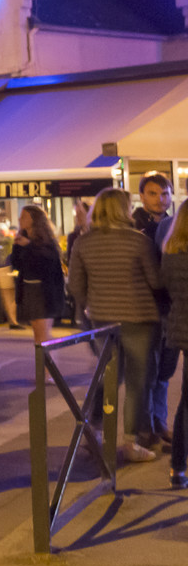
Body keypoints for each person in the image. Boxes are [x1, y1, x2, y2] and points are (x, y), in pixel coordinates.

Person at [69, 187, 165, 461]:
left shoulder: (83, 243)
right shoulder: (139, 242)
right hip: (140, 318)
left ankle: (94, 428)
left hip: (102, 319)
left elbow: (75, 286)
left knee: (107, 376)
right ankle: (131, 442)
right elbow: (156, 281)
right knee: (137, 382)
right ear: (123, 210)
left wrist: (95, 303)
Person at [136, 173, 177, 443]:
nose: (160, 199)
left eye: (164, 194)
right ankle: (145, 427)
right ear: (141, 196)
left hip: (172, 308)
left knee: (165, 370)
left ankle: (159, 422)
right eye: (153, 193)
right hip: (145, 307)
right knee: (146, 372)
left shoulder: (178, 224)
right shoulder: (133, 227)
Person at [159, 214, 188, 488]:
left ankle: (178, 467)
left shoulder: (171, 255)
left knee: (185, 403)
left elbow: (165, 290)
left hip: (182, 330)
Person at [12, 205, 65, 346]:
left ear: (34, 220)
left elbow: (46, 264)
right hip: (29, 290)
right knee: (38, 335)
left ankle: (47, 367)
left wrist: (29, 245)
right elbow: (16, 264)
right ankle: (45, 366)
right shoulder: (23, 238)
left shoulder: (45, 242)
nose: (19, 219)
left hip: (43, 293)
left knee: (42, 336)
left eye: (24, 216)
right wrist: (17, 246)